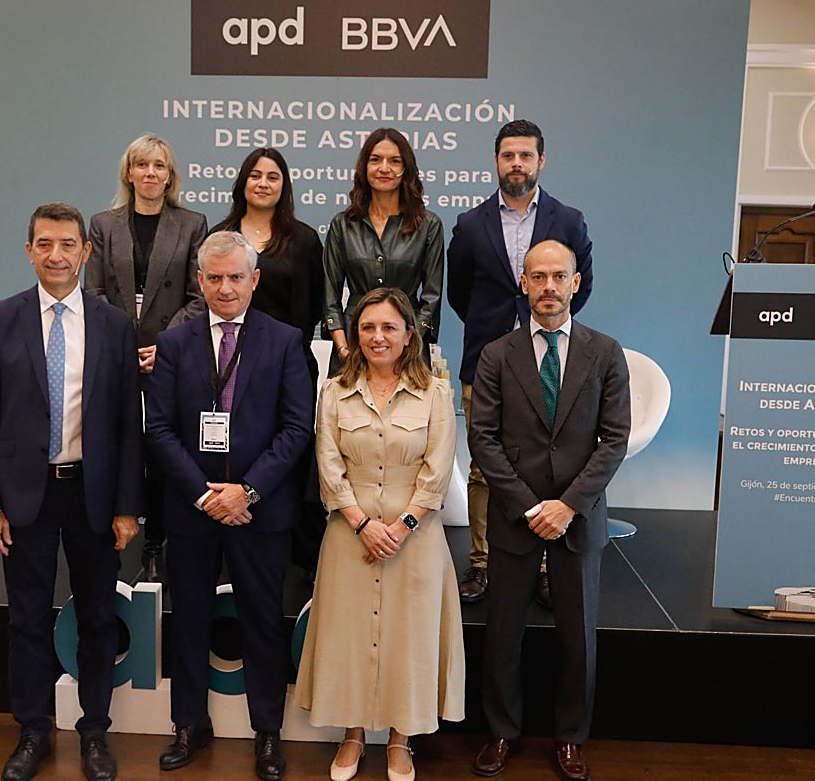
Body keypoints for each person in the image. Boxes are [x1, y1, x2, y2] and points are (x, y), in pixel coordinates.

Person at [0, 202, 143, 781]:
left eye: (68, 244)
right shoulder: (0, 319)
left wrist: (127, 505)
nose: (57, 255)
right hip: (25, 498)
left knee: (97, 617)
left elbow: (127, 425)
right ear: (29, 251)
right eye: (44, 243)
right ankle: (33, 732)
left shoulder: (115, 324)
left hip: (92, 496)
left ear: (85, 251)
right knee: (26, 620)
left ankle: (95, 731)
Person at [144, 230, 313, 781]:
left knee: (262, 622)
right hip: (191, 511)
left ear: (254, 280)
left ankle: (268, 731)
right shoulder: (174, 344)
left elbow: (295, 429)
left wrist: (247, 491)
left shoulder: (286, 341)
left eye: (235, 277)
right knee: (188, 619)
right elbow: (160, 430)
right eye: (214, 278)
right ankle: (189, 725)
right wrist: (203, 494)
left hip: (257, 512)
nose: (225, 287)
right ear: (199, 281)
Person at [467, 239, 629, 781]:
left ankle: (571, 738)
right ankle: (501, 731)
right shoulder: (496, 354)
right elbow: (483, 439)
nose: (549, 287)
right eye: (538, 277)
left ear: (576, 283)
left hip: (578, 518)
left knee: (577, 638)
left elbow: (614, 440)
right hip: (517, 516)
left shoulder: (606, 352)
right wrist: (532, 505)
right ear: (524, 284)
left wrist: (568, 506)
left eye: (559, 276)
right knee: (503, 633)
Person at [295, 288, 465, 781]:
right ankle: (351, 736)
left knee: (408, 640)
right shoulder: (334, 393)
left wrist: (400, 527)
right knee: (347, 637)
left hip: (416, 538)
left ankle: (398, 739)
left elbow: (437, 471)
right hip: (350, 534)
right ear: (355, 336)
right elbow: (328, 467)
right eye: (368, 327)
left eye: (389, 327)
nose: (377, 337)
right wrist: (363, 523)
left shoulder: (436, 394)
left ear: (410, 334)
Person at [447, 119, 595, 605]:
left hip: (551, 360)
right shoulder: (471, 225)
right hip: (488, 362)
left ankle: (548, 566)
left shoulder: (568, 220)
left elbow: (582, 284)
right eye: (508, 155)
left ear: (541, 161)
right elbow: (460, 294)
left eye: (526, 156)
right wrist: (497, 338)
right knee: (483, 470)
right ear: (496, 161)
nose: (517, 164)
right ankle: (482, 563)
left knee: (550, 467)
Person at [85, 133, 208, 584]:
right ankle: (109, 532)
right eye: (142, 165)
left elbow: (199, 295)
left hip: (167, 355)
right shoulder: (103, 224)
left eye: (159, 166)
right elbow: (93, 291)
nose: (151, 174)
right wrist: (121, 342)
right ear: (129, 172)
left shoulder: (193, 223)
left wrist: (168, 344)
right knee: (114, 445)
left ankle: (156, 542)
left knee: (161, 451)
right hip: (114, 353)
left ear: (170, 175)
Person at [212, 147, 325, 575]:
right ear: (243, 181)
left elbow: (310, 307)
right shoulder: (221, 234)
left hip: (286, 360)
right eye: (255, 175)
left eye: (272, 176)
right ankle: (231, 518)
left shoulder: (303, 239)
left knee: (288, 448)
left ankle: (291, 542)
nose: (263, 183)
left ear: (284, 186)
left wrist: (277, 352)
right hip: (225, 361)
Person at [322, 128, 444, 375]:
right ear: (364, 168)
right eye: (375, 160)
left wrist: (406, 343)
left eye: (394, 161)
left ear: (406, 169)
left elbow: (431, 298)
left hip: (408, 351)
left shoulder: (428, 225)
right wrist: (344, 349)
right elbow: (329, 297)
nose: (384, 168)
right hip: (352, 349)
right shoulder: (343, 224)